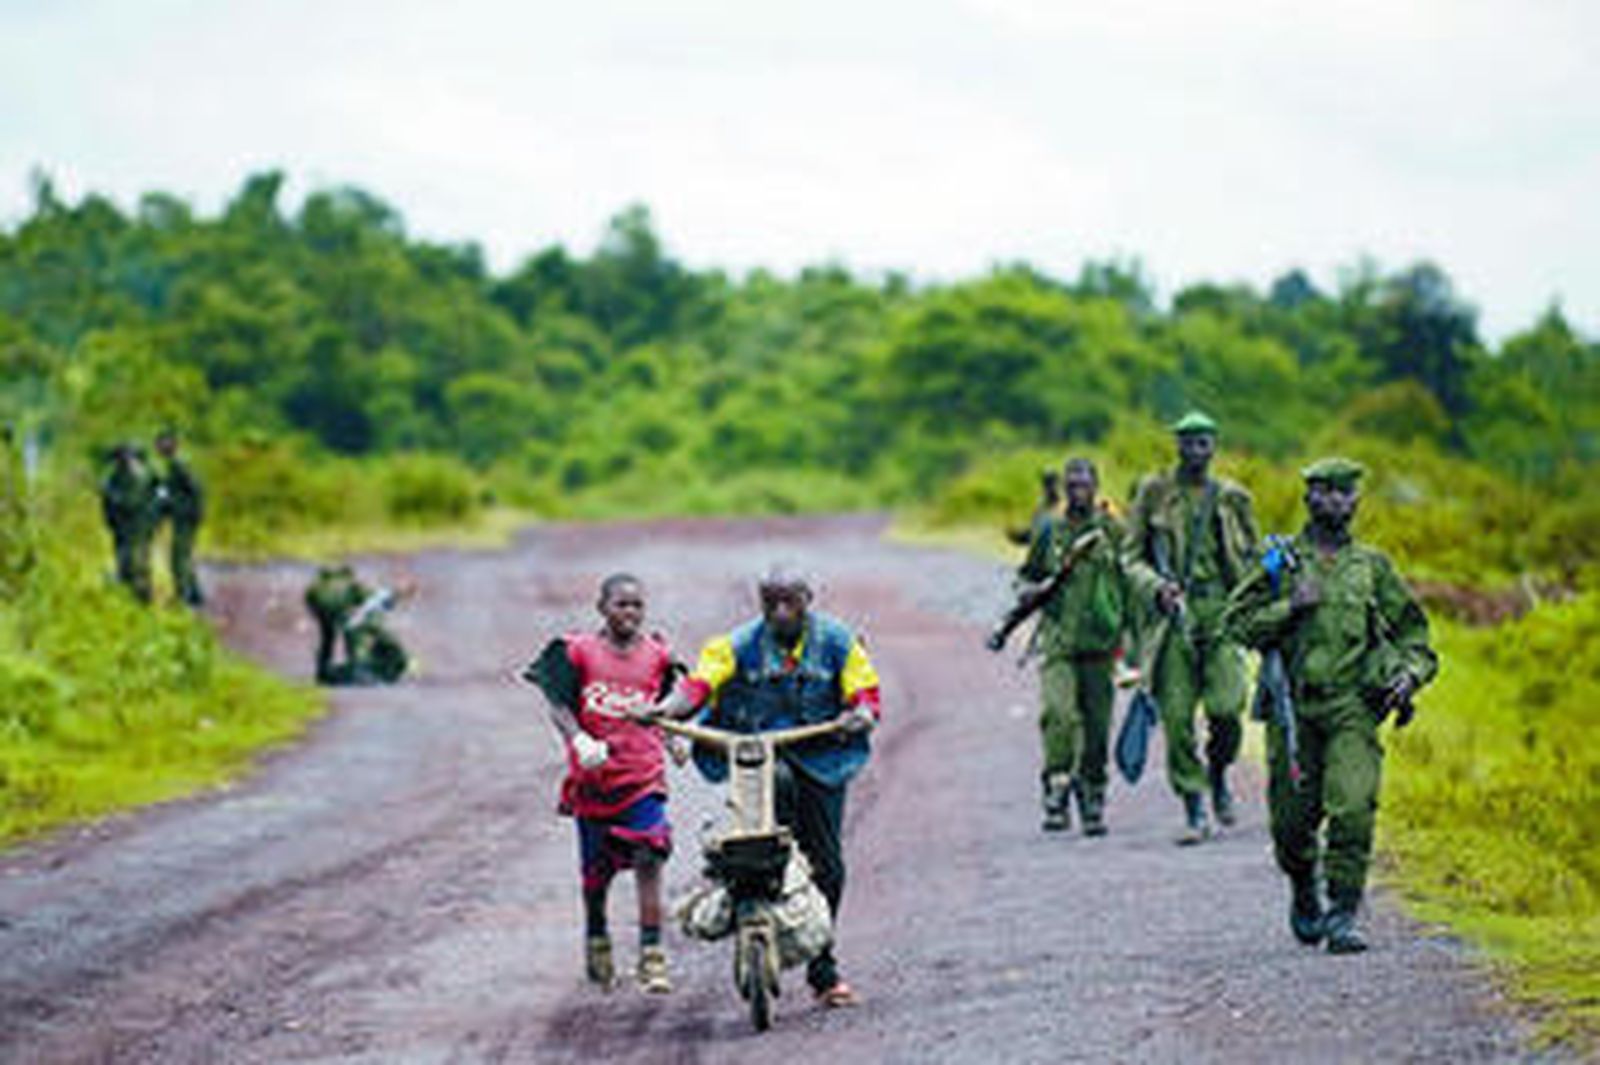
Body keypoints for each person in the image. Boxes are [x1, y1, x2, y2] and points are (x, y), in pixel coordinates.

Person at [1223, 458, 1437, 953]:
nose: (1335, 501)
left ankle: (1342, 911)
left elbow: (1414, 636)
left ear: (1356, 502)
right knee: (1292, 826)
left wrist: (1408, 675)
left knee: (1354, 806)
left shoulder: (1371, 567)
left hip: (1352, 707)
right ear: (1308, 499)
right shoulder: (1281, 563)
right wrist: (1289, 606)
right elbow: (1235, 623)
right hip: (1293, 710)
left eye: (1345, 493)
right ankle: (1303, 884)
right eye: (1325, 492)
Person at [650, 566, 879, 1008]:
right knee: (755, 832)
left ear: (808, 598)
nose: (779, 611)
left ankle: (823, 968)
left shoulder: (838, 642)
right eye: (769, 602)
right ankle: (742, 897)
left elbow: (866, 693)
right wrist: (664, 710)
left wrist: (860, 714)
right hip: (758, 756)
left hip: (823, 760)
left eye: (789, 601)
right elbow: (696, 688)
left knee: (829, 867)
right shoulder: (732, 646)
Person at [523, 574, 679, 993]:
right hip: (593, 783)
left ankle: (652, 956)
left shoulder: (658, 656)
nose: (629, 614)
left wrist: (672, 737)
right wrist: (577, 737)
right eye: (621, 605)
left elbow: (665, 706)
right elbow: (557, 701)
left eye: (636, 606)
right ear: (602, 608)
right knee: (596, 876)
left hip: (643, 776)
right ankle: (597, 932)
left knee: (650, 854)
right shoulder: (579, 653)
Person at [1125, 411, 1259, 843]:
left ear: (1214, 446)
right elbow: (1130, 558)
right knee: (1178, 719)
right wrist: (1156, 587)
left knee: (1227, 708)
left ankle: (1218, 772)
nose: (1196, 450)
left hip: (1220, 612)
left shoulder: (1233, 497)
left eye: (1203, 442)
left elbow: (1252, 560)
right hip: (1172, 618)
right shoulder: (1154, 493)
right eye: (1188, 442)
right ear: (1177, 445)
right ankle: (1194, 807)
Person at [1000, 458, 1132, 835]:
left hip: (1102, 644)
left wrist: (1135, 642)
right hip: (1058, 643)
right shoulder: (1050, 531)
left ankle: (1092, 796)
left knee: (1097, 729)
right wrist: (1029, 593)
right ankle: (1056, 788)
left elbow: (1131, 579)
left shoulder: (1112, 530)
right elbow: (1025, 577)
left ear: (1096, 486)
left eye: (1084, 484)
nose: (1077, 491)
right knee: (1058, 716)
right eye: (1071, 484)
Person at [303, 565, 411, 685]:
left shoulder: (315, 587)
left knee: (327, 638)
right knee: (358, 632)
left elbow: (310, 602)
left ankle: (322, 671)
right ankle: (359, 669)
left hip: (322, 612)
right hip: (349, 615)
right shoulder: (353, 585)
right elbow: (372, 603)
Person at [99, 443, 159, 603]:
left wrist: (111, 495)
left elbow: (132, 502)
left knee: (137, 561)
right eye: (120, 458)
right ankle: (129, 597)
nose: (123, 461)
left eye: (126, 457)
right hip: (122, 526)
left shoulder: (138, 475)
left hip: (138, 525)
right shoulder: (116, 475)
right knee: (124, 561)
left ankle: (142, 598)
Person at [154, 428, 205, 606]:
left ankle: (183, 595)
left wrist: (178, 506)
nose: (158, 447)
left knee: (179, 556)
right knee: (183, 555)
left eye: (162, 442)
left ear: (172, 444)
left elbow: (194, 489)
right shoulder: (176, 464)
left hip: (185, 517)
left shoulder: (178, 465)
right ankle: (195, 593)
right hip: (184, 516)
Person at [1006, 467, 1063, 547]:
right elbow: (1034, 532)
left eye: (1050, 483)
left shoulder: (1063, 505)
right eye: (1046, 483)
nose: (1048, 487)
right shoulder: (1041, 505)